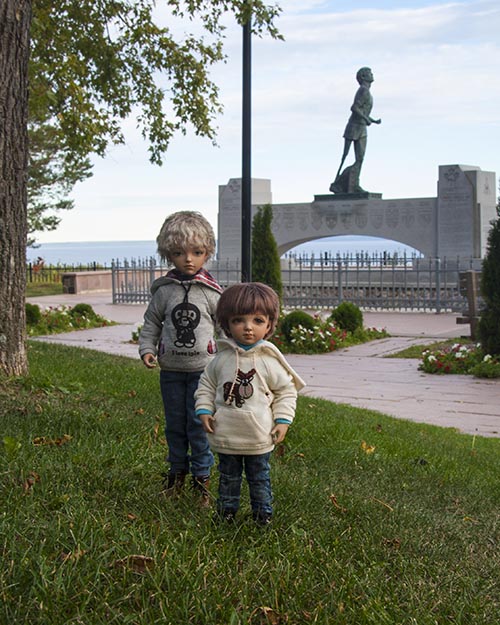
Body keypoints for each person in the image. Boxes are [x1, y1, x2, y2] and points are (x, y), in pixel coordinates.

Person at [194, 282, 305, 525]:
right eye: (238, 320)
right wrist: (204, 410)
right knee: (228, 476)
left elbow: (286, 391)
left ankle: (262, 514)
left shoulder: (268, 360)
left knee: (259, 477)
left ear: (269, 324)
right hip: (227, 434)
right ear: (226, 324)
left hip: (258, 436)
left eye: (257, 320)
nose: (247, 328)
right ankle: (226, 512)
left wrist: (283, 421)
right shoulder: (220, 359)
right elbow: (206, 385)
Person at [138, 211, 223, 506]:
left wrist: (228, 360)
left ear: (207, 252)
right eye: (179, 253)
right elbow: (152, 323)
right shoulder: (165, 291)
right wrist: (147, 348)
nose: (188, 259)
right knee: (175, 424)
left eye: (197, 252)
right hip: (171, 371)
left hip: (204, 373)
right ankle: (176, 475)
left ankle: (203, 481)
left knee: (199, 425)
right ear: (168, 254)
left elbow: (223, 327)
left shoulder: (211, 293)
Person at [330, 67, 381, 194]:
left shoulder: (367, 92)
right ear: (363, 77)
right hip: (354, 127)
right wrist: (366, 118)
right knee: (346, 156)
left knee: (360, 158)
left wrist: (373, 120)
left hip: (362, 127)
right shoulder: (363, 91)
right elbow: (354, 108)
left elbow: (362, 111)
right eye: (369, 73)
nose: (372, 74)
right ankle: (341, 184)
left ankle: (351, 184)